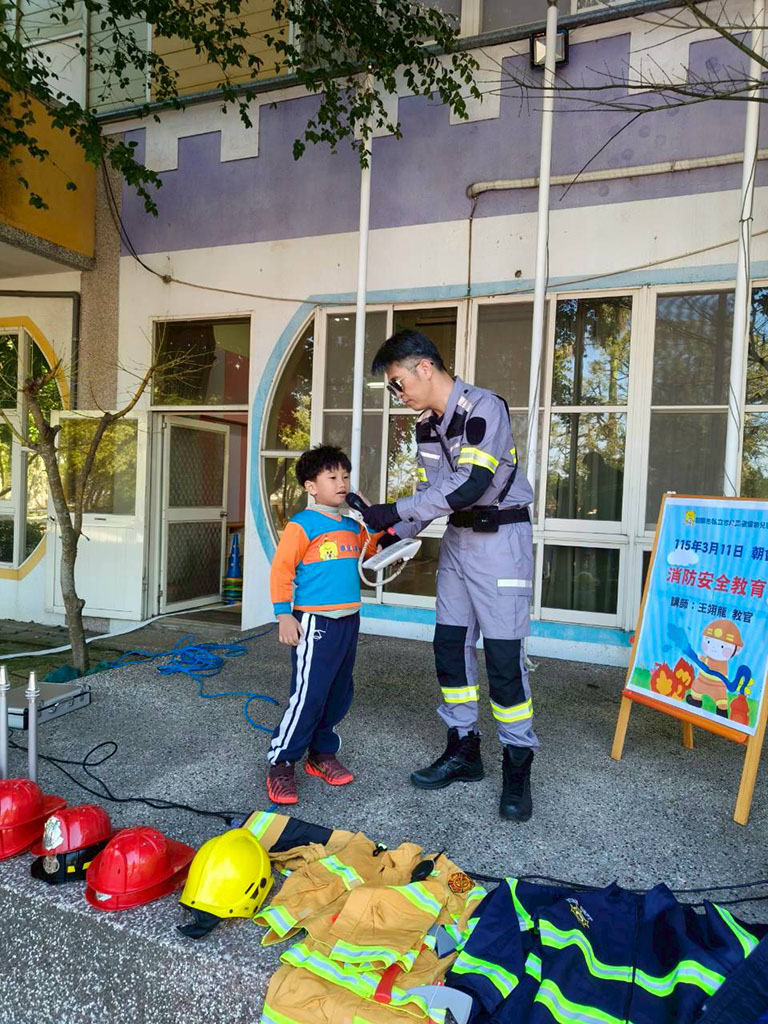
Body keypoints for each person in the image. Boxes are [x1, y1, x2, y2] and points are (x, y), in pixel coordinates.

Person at [360, 330, 539, 821]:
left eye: (397, 383)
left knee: (503, 659)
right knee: (449, 647)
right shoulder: (426, 427)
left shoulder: (484, 408)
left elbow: (471, 485)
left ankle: (517, 763)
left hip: (500, 541)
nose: (397, 394)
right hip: (458, 540)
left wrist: (394, 510)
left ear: (423, 367)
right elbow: (433, 496)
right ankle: (464, 749)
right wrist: (391, 531)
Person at [266, 444, 381, 805]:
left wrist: (372, 520)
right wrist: (284, 614)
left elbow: (372, 553)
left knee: (339, 691)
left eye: (345, 476)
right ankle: (282, 761)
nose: (341, 483)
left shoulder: (352, 526)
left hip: (348, 619)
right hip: (315, 620)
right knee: (309, 694)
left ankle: (321, 752)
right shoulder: (302, 525)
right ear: (311, 486)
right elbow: (281, 571)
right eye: (332, 477)